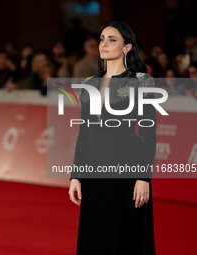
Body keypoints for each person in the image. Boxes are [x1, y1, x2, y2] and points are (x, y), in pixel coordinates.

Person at [68, 21, 157, 255]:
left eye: (112, 39)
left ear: (127, 47)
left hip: (127, 168)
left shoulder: (140, 81)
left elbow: (148, 132)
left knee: (126, 236)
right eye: (102, 39)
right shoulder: (89, 83)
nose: (104, 44)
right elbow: (84, 132)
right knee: (96, 235)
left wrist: (143, 178)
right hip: (93, 169)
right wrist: (76, 175)